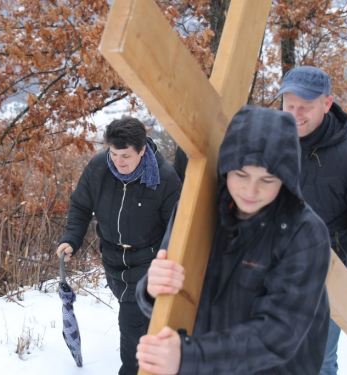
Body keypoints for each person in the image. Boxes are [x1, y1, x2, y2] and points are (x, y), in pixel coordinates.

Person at [135, 105, 331, 374]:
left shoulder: (305, 233)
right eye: (241, 175)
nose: (251, 190)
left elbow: (278, 334)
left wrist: (190, 357)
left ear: (285, 180)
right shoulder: (196, 209)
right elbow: (167, 285)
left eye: (268, 179)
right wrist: (151, 289)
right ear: (227, 168)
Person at [56, 117, 182, 375]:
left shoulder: (164, 178)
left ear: (142, 150)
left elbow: (177, 228)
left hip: (148, 260)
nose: (118, 161)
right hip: (112, 258)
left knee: (131, 322)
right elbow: (81, 205)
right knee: (141, 323)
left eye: (125, 155)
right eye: (113, 153)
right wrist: (71, 238)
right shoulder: (99, 167)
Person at [278, 66, 347, 375]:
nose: (295, 114)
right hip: (270, 270)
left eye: (305, 106)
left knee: (317, 361)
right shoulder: (266, 145)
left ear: (327, 103)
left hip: (327, 275)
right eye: (289, 105)